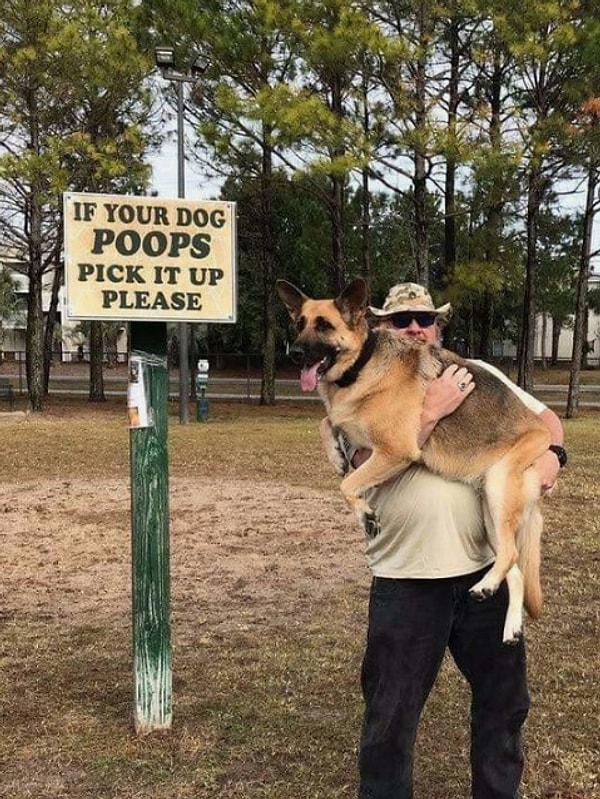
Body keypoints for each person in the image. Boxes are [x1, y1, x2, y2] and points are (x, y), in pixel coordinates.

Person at [341, 282, 565, 799]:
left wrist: (553, 456)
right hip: (408, 582)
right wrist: (431, 410)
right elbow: (370, 466)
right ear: (381, 330)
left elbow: (544, 418)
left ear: (438, 327)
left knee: (503, 704)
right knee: (390, 718)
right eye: (401, 321)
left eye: (425, 318)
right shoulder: (356, 395)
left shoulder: (473, 372)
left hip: (481, 574)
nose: (415, 328)